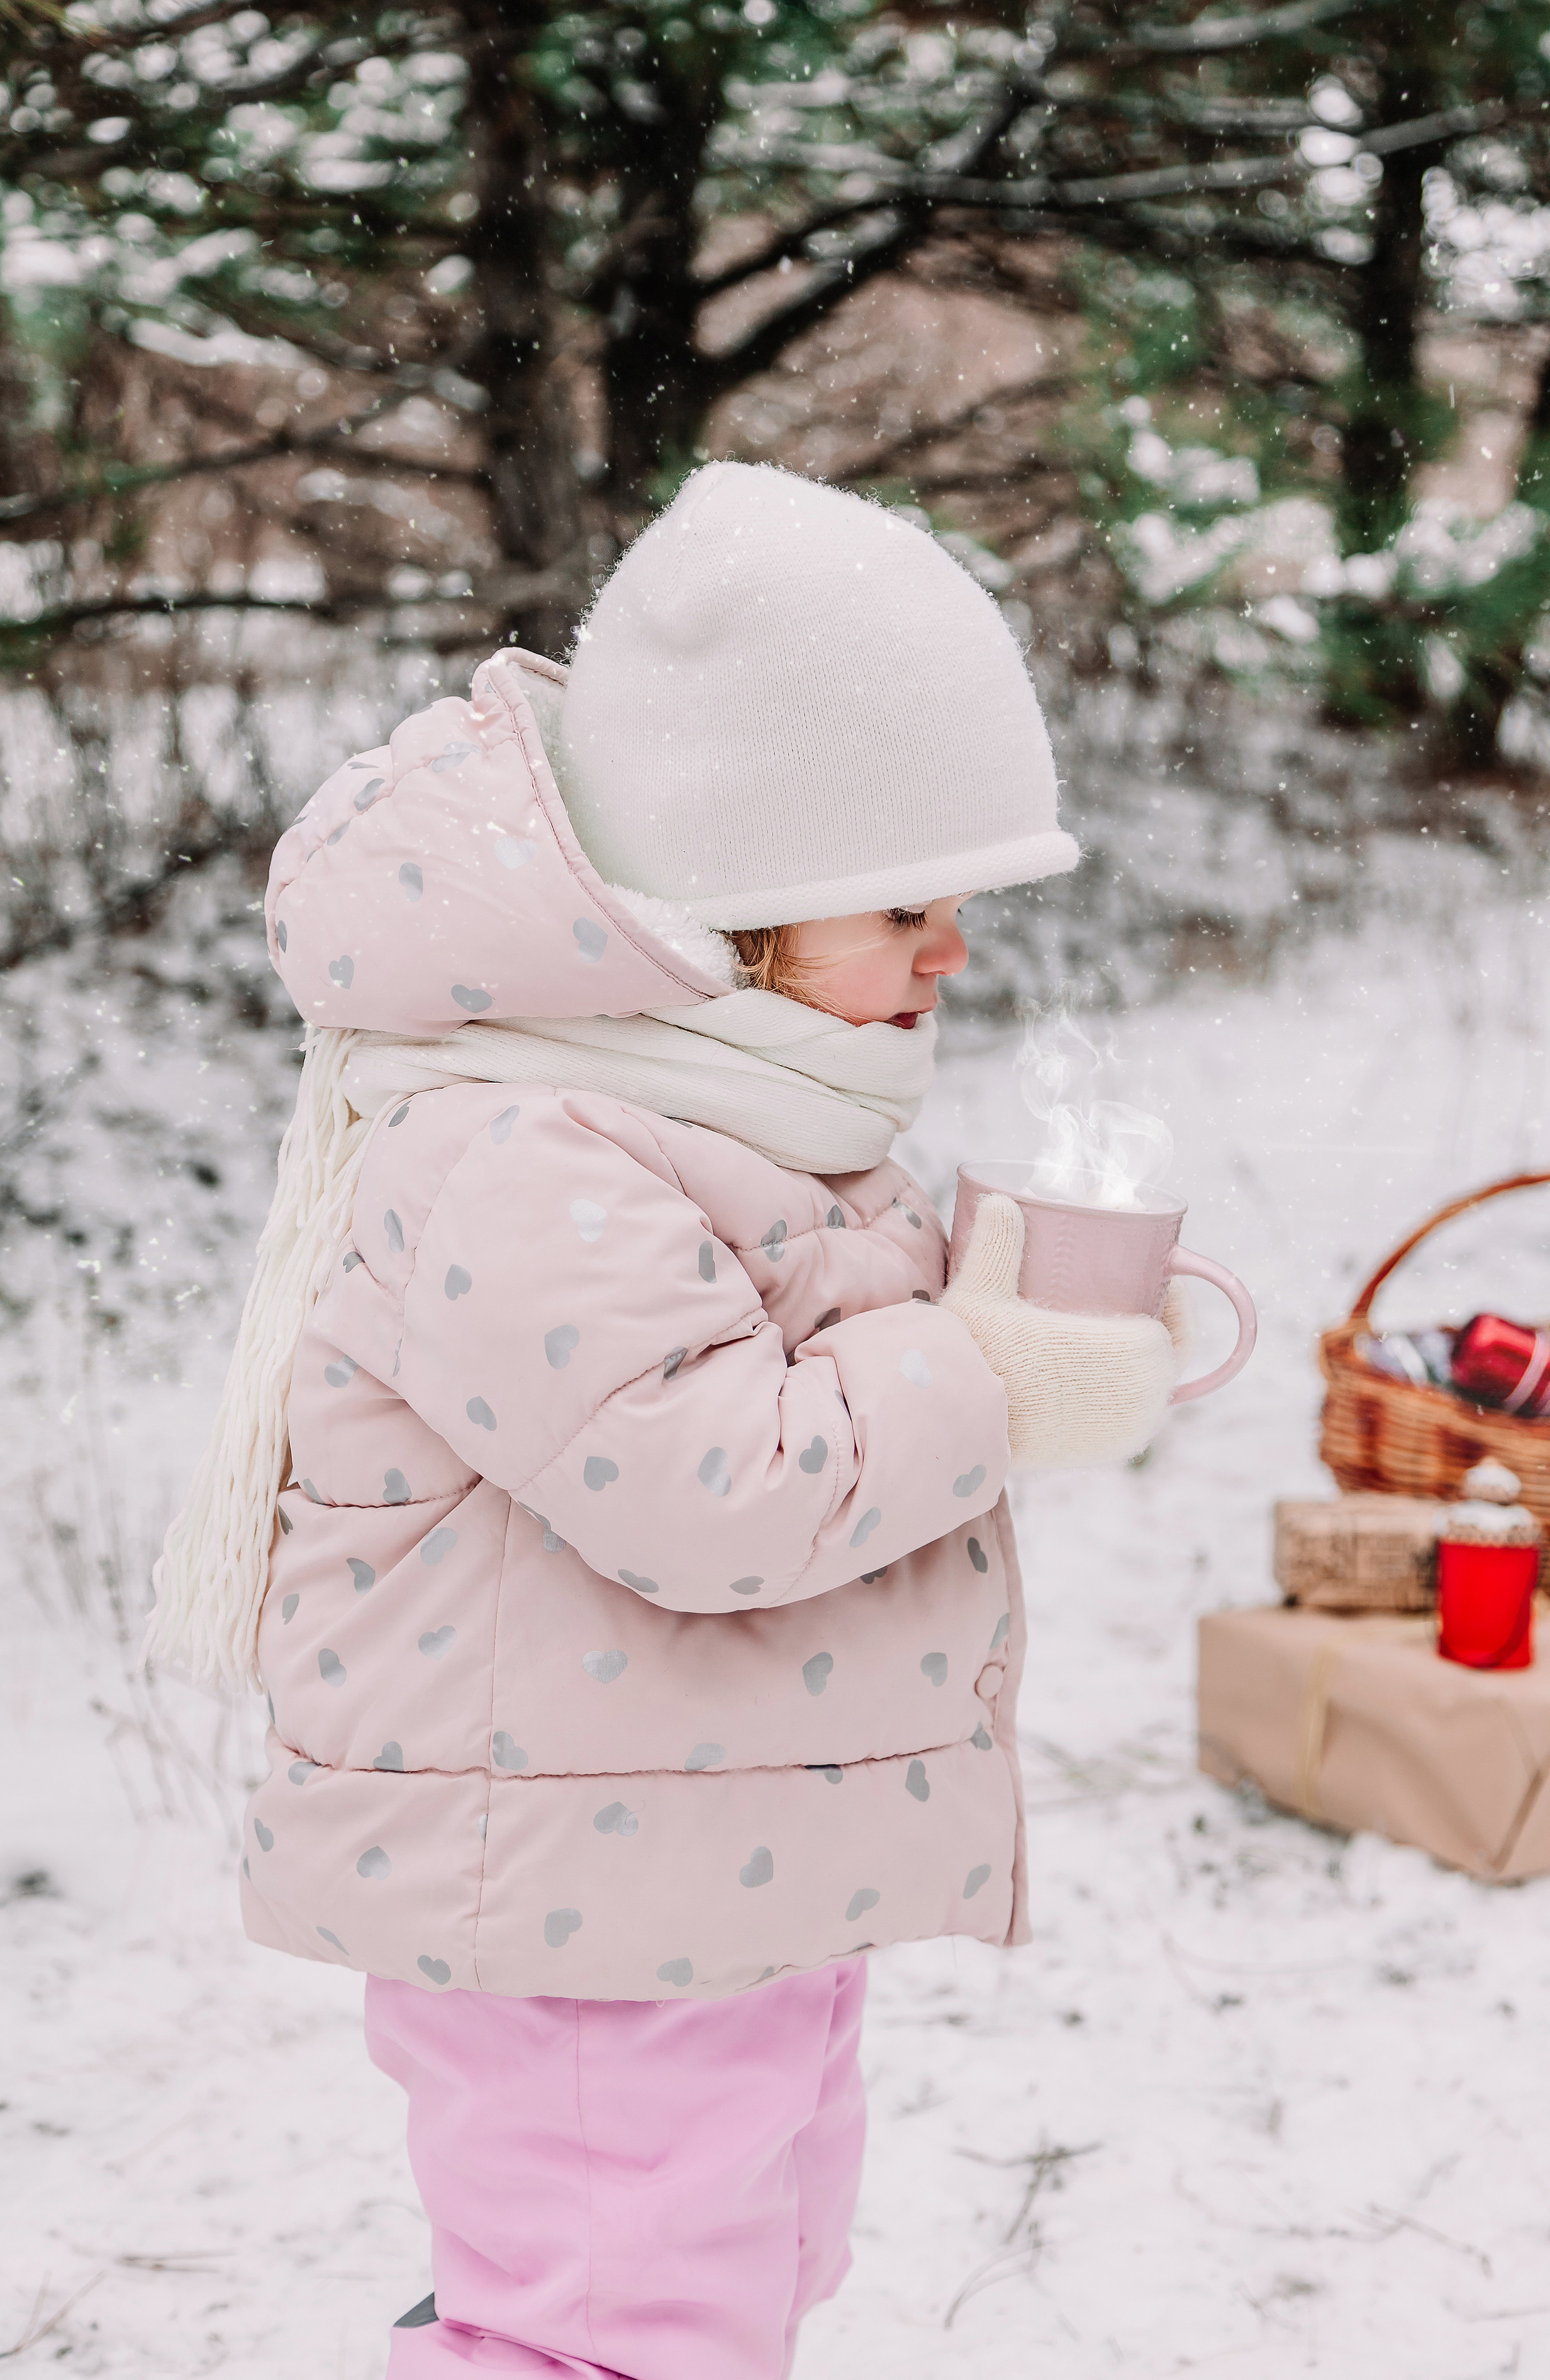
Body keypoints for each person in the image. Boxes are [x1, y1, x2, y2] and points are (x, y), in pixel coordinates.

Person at [150, 463, 1186, 2377]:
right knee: (615, 2338)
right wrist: (987, 1368)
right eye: (908, 905)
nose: (950, 953)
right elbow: (715, 1482)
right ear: (747, 908)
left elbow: (806, 1333)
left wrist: (1028, 1308)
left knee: (730, 2292)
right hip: (578, 1919)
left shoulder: (717, 1112)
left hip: (710, 1885)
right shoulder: (517, 1146)